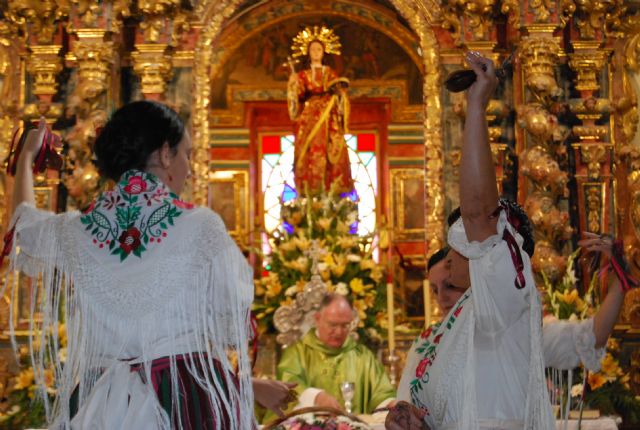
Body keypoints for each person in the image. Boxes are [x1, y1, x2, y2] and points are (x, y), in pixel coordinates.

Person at [3, 101, 292, 430]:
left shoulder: (77, 232)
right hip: (186, 403)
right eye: (187, 155)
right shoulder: (201, 226)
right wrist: (241, 385)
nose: (189, 168)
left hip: (102, 402)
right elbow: (225, 322)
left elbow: (22, 228)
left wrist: (27, 158)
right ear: (165, 154)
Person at [387, 51, 555, 430]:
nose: (449, 259)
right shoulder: (455, 321)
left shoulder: (504, 290)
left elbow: (480, 213)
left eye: (459, 248)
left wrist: (477, 105)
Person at [419, 238, 626, 377]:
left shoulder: (514, 332)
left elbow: (592, 336)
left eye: (450, 285)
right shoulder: (429, 342)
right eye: (434, 290)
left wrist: (619, 285)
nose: (442, 298)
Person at [272, 293, 395, 419]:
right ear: (317, 319)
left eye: (345, 325)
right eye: (333, 325)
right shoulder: (297, 353)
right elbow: (286, 384)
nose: (339, 332)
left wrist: (391, 404)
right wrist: (315, 397)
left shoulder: (363, 356)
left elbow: (381, 393)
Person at [287, 26, 353, 194]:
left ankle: (330, 186)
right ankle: (310, 187)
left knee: (330, 148)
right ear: (308, 52)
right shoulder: (303, 75)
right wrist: (293, 85)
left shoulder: (330, 73)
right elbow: (297, 98)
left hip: (328, 114)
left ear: (324, 52)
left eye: (319, 49)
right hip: (309, 116)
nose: (316, 52)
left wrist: (339, 96)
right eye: (313, 49)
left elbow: (339, 95)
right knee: (308, 149)